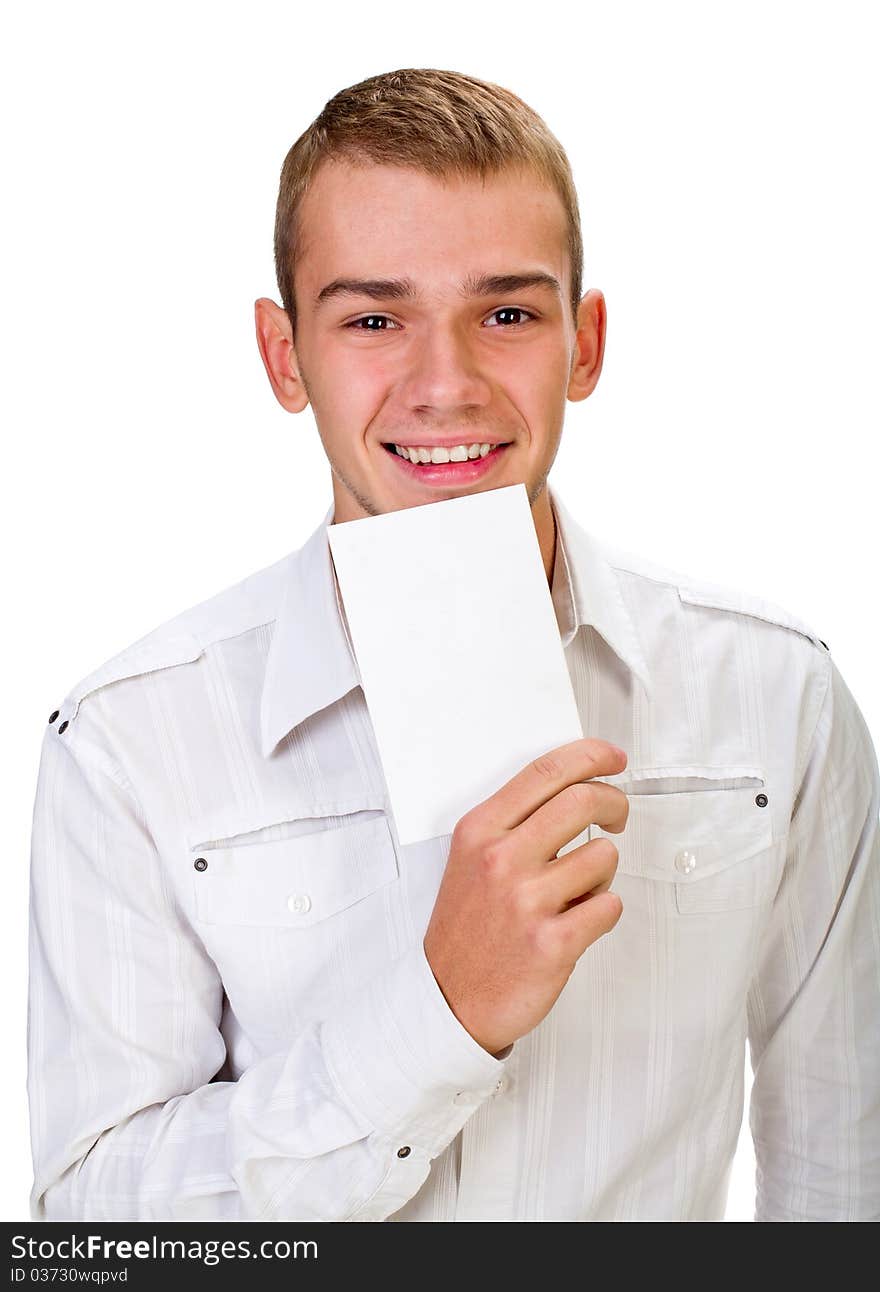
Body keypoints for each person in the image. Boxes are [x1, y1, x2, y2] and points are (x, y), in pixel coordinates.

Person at [27, 66, 879, 1223]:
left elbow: (843, 1163)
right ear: (286, 359)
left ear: (584, 343)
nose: (446, 383)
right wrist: (440, 1013)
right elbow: (93, 1226)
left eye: (507, 313)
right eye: (375, 318)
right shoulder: (129, 740)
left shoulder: (777, 694)